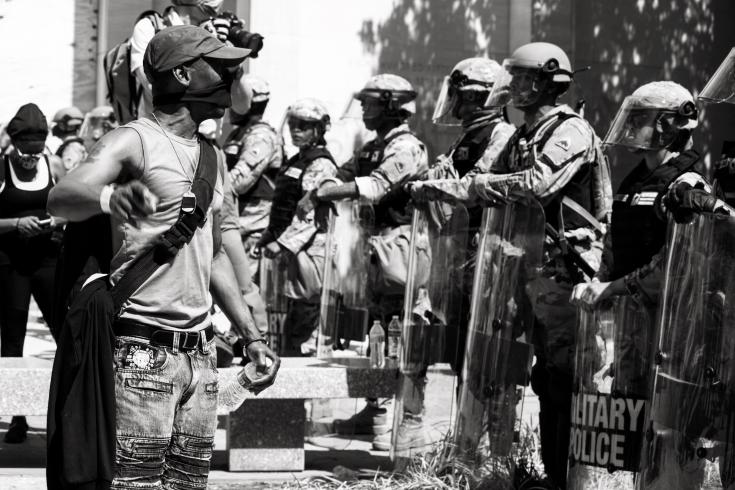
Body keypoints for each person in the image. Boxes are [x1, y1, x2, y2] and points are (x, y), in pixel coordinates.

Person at [47, 25, 279, 488]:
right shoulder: (133, 140)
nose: (233, 73)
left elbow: (210, 257)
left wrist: (251, 335)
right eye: (220, 64)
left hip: (202, 357)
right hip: (142, 356)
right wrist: (109, 198)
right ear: (184, 76)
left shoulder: (212, 155)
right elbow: (62, 197)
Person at [468, 42, 612, 488]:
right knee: (540, 381)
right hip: (526, 272)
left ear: (549, 82)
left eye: (524, 78)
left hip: (566, 276)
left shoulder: (570, 129)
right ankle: (548, 475)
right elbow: (479, 177)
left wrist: (479, 186)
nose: (513, 86)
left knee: (568, 383)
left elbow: (535, 185)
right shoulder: (522, 132)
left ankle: (575, 479)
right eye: (513, 77)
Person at [298, 74, 429, 450]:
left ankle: (406, 422)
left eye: (370, 103)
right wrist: (322, 188)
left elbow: (375, 185)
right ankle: (376, 414)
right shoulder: (375, 145)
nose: (364, 110)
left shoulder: (406, 146)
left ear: (391, 105)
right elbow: (341, 172)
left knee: (404, 334)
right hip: (377, 249)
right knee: (377, 334)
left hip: (402, 247)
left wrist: (327, 193)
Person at [408, 56, 516, 376]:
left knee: (486, 356)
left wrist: (430, 189)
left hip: (489, 259)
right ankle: (465, 426)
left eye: (461, 97)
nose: (456, 106)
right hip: (457, 257)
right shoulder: (465, 139)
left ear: (479, 97)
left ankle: (491, 426)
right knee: (459, 351)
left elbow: (474, 186)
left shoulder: (503, 135)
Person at [0, 103, 62, 443]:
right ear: (13, 143)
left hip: (47, 259)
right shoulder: (1, 168)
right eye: (25, 151)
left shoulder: (56, 167)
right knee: (12, 339)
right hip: (11, 265)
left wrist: (55, 222)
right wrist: (14, 224)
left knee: (63, 332)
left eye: (36, 152)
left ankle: (65, 411)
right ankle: (16, 416)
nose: (30, 157)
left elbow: (73, 206)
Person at [257, 98, 337, 356]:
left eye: (304, 125)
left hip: (309, 250)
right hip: (288, 249)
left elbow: (308, 214)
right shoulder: (295, 160)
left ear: (318, 130)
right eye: (293, 124)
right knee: (287, 318)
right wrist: (269, 237)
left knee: (305, 316)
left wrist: (280, 244)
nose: (296, 130)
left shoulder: (320, 163)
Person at [224, 73, 283, 269]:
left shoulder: (261, 137)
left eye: (235, 101)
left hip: (251, 229)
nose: (229, 106)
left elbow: (239, 182)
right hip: (234, 224)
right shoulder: (239, 133)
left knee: (243, 292)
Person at [49, 107, 87, 176]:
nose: (55, 128)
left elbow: (67, 175)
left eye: (59, 124)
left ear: (70, 126)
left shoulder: (72, 148)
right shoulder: (74, 145)